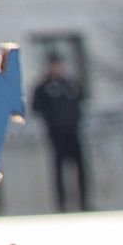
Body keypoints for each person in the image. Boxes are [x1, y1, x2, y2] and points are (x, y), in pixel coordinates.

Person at [35, 62, 91, 212]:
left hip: (73, 132)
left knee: (81, 167)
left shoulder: (70, 84)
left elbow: (80, 101)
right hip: (56, 134)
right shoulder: (44, 87)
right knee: (59, 169)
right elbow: (37, 106)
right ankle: (61, 203)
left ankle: (84, 201)